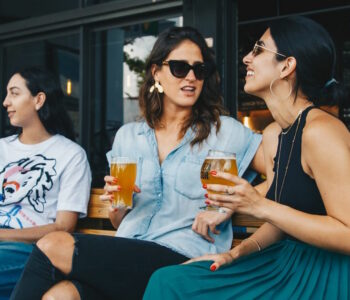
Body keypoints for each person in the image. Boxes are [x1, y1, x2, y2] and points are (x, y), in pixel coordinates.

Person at [10, 27, 265, 300]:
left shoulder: (224, 131)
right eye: (180, 68)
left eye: (199, 70)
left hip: (183, 258)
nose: (191, 77)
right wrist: (119, 205)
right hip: (130, 253)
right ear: (156, 72)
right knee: (60, 296)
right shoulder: (128, 136)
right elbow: (119, 221)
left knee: (53, 244)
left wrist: (228, 206)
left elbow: (283, 175)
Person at [143, 16, 350, 299]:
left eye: (259, 50)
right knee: (168, 281)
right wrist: (235, 254)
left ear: (287, 66)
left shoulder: (321, 132)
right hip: (286, 262)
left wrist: (259, 205)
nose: (246, 59)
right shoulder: (276, 134)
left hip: (325, 272)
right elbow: (281, 221)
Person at [0, 66, 91, 299]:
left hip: (33, 252)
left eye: (14, 93)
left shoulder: (70, 155)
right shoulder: (2, 148)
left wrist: (2, 235)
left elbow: (64, 227)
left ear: (38, 99)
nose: (5, 102)